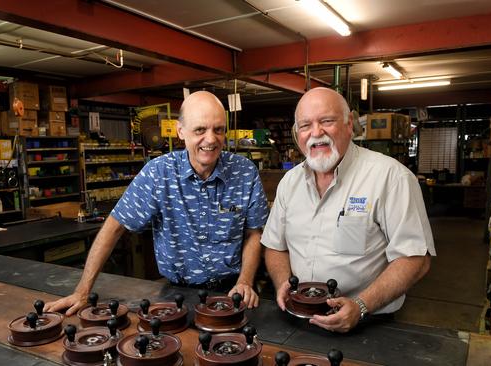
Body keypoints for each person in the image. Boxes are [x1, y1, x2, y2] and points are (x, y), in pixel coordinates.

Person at [46, 91, 268, 315]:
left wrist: (245, 282)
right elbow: (114, 227)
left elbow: (254, 232)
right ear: (181, 131)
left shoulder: (244, 172)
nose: (210, 139)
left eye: (218, 129)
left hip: (232, 292)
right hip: (176, 293)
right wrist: (82, 292)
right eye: (200, 130)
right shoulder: (158, 174)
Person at [261, 87, 435, 333]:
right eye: (305, 125)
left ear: (349, 124)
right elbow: (275, 246)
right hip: (299, 315)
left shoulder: (391, 178)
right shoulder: (290, 182)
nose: (316, 133)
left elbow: (415, 258)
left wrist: (361, 305)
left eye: (327, 121)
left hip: (367, 322)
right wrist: (282, 283)